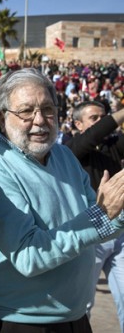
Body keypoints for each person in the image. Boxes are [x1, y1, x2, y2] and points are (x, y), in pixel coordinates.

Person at [0, 68, 124, 332]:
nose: (40, 120)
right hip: (20, 322)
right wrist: (100, 217)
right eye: (26, 111)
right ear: (0, 116)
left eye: (48, 109)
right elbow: (30, 256)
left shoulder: (63, 155)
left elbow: (100, 226)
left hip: (75, 317)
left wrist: (116, 210)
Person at [66, 101, 124, 331]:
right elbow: (92, 137)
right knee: (83, 304)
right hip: (90, 234)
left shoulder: (113, 146)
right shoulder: (69, 149)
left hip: (119, 231)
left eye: (104, 117)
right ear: (78, 124)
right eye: (94, 118)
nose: (101, 122)